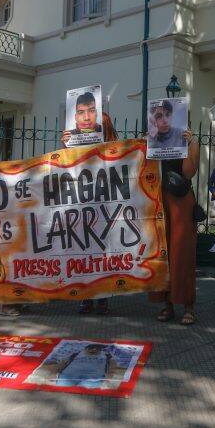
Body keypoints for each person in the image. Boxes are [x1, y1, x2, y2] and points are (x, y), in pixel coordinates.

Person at [62, 112, 118, 315]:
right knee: (84, 249)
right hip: (83, 205)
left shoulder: (116, 148)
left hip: (105, 206)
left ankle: (102, 296)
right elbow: (65, 166)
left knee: (103, 251)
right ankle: (86, 295)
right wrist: (66, 145)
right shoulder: (78, 145)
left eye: (101, 125)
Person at [150, 128, 200, 325]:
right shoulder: (156, 141)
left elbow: (189, 172)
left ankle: (188, 306)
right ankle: (167, 304)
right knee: (162, 253)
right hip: (160, 199)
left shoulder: (192, 142)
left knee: (183, 252)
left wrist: (188, 145)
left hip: (181, 201)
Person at [53, 344, 121, 389]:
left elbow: (112, 365)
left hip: (93, 377)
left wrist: (109, 376)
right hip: (70, 375)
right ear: (86, 349)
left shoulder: (107, 355)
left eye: (97, 348)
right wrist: (56, 371)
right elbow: (63, 362)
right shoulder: (76, 354)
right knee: (62, 388)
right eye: (91, 348)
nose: (94, 349)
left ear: (100, 350)